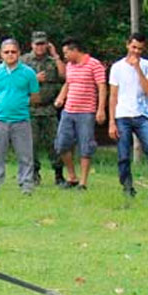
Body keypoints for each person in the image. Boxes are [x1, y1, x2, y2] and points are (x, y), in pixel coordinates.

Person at [108, 32, 148, 201]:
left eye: (140, 48)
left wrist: (138, 68)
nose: (136, 51)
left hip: (142, 115)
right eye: (133, 47)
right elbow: (113, 96)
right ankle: (127, 187)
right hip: (122, 115)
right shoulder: (116, 67)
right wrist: (111, 122)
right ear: (127, 46)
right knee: (123, 155)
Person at [0, 39, 40, 195]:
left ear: (19, 53)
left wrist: (21, 103)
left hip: (21, 120)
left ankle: (26, 185)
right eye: (6, 52)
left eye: (13, 52)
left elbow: (35, 97)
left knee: (25, 155)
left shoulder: (28, 73)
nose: (10, 55)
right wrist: (2, 104)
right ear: (1, 54)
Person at [53, 38, 107, 190]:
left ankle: (83, 182)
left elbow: (102, 87)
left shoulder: (94, 64)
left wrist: (101, 109)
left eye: (66, 53)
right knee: (62, 144)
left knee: (86, 146)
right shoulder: (70, 66)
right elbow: (68, 83)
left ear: (74, 50)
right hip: (69, 110)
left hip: (86, 112)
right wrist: (61, 97)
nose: (65, 56)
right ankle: (72, 177)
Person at [20, 31, 66, 186]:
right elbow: (15, 82)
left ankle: (59, 174)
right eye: (37, 44)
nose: (40, 47)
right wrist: (34, 79)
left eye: (43, 44)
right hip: (30, 109)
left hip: (49, 109)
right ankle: (34, 174)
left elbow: (64, 76)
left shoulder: (52, 61)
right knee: (30, 144)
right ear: (32, 44)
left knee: (55, 143)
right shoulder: (23, 61)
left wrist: (56, 55)